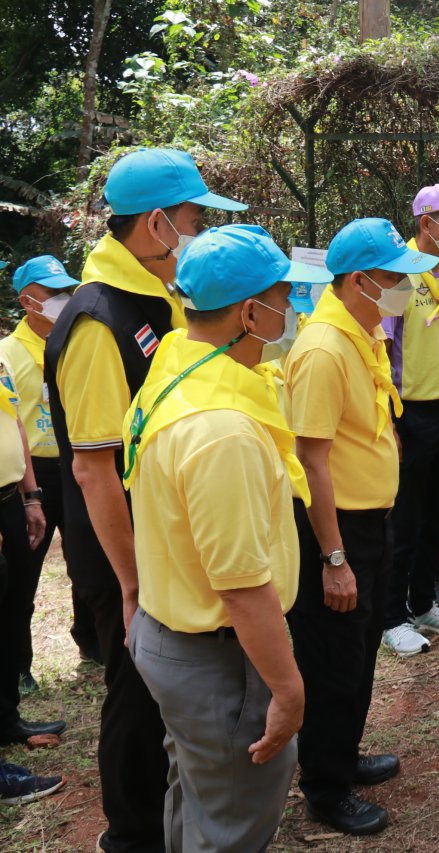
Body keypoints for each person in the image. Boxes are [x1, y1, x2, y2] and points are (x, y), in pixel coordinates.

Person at [44, 147, 246, 853]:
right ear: (158, 223)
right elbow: (95, 468)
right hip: (120, 548)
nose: (201, 228)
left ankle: (170, 814)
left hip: (159, 536)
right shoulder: (99, 320)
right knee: (133, 691)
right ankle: (130, 837)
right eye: (196, 217)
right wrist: (132, 582)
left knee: (163, 687)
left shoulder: (154, 296)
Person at [121, 225, 329, 851]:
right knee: (232, 823)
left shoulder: (178, 364)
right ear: (248, 312)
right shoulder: (223, 434)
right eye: (285, 298)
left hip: (170, 632)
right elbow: (241, 587)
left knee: (198, 798)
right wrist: (289, 689)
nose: (293, 311)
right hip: (218, 660)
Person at [285, 217, 435, 835]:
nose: (404, 287)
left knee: (360, 649)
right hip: (336, 530)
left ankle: (341, 758)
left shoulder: (359, 333)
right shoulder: (322, 349)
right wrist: (334, 558)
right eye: (395, 278)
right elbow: (310, 458)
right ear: (358, 281)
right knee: (333, 661)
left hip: (370, 522)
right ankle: (324, 787)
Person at [378, 183, 439, 657]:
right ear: (427, 223)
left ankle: (423, 603)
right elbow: (381, 347)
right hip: (409, 412)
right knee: (407, 517)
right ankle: (391, 615)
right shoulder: (399, 274)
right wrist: (390, 420)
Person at [1, 256, 100, 695]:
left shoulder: (76, 341)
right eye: (52, 294)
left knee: (88, 559)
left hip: (76, 464)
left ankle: (92, 642)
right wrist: (29, 492)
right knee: (24, 572)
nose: (62, 300)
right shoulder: (8, 353)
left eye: (66, 291)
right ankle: (19, 666)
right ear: (27, 301)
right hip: (31, 472)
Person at [0, 349, 63, 805]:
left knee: (10, 610)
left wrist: (31, 495)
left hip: (8, 497)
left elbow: (12, 421)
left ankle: (5, 721)